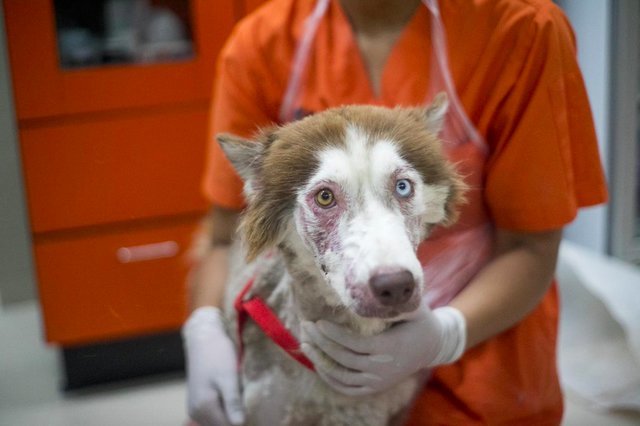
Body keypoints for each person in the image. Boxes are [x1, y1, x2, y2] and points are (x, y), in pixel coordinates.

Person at [181, 0, 608, 425]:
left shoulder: (523, 29)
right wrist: (203, 329)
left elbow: (532, 247)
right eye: (326, 198)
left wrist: (445, 336)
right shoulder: (262, 43)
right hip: (314, 374)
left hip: (484, 367)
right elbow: (224, 237)